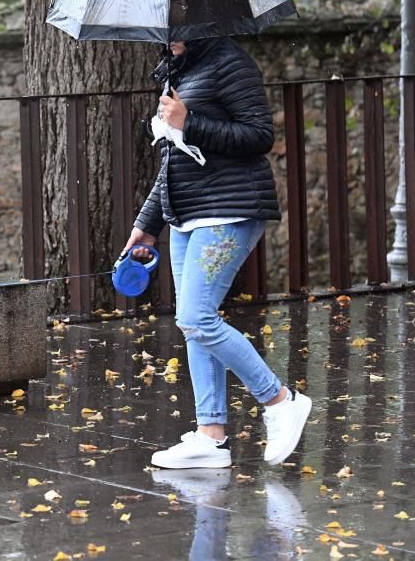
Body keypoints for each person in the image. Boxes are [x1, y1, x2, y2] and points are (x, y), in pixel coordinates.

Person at [123, 37, 312, 469]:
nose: (165, 28)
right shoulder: (175, 70)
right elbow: (173, 158)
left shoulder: (229, 61)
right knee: (193, 324)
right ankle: (211, 435)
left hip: (230, 210)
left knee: (196, 318)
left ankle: (281, 400)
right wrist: (146, 225)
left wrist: (189, 121)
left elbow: (258, 135)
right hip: (186, 218)